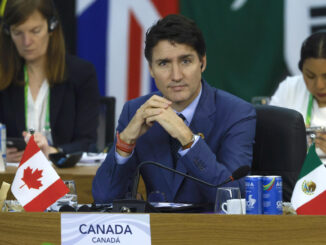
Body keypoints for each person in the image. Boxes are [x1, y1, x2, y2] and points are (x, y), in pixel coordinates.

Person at [92, 14, 256, 206]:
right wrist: (126, 141)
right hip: (157, 232)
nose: (176, 75)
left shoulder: (237, 113)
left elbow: (234, 198)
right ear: (151, 70)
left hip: (213, 231)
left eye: (185, 61)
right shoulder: (135, 111)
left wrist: (187, 139)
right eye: (164, 64)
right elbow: (103, 198)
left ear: (202, 63)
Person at [0, 0, 100, 162]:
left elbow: (87, 142)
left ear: (52, 27)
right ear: (7, 33)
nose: (27, 42)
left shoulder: (81, 73)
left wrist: (53, 151)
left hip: (64, 175)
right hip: (12, 176)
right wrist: (1, 152)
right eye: (18, 33)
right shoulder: (3, 76)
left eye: (35, 31)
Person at [270, 31, 326, 155]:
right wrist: (292, 140)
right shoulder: (290, 88)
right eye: (310, 76)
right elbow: (266, 138)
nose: (319, 85)